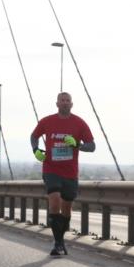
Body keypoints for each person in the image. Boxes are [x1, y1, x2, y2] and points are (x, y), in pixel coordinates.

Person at [30, 92, 96, 256]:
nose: (65, 103)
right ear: (57, 103)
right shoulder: (47, 121)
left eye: (68, 101)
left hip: (70, 173)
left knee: (66, 208)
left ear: (71, 104)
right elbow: (34, 136)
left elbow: (92, 146)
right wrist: (36, 150)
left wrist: (77, 145)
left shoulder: (79, 123)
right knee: (54, 201)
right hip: (51, 169)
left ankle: (60, 240)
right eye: (62, 101)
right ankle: (58, 243)